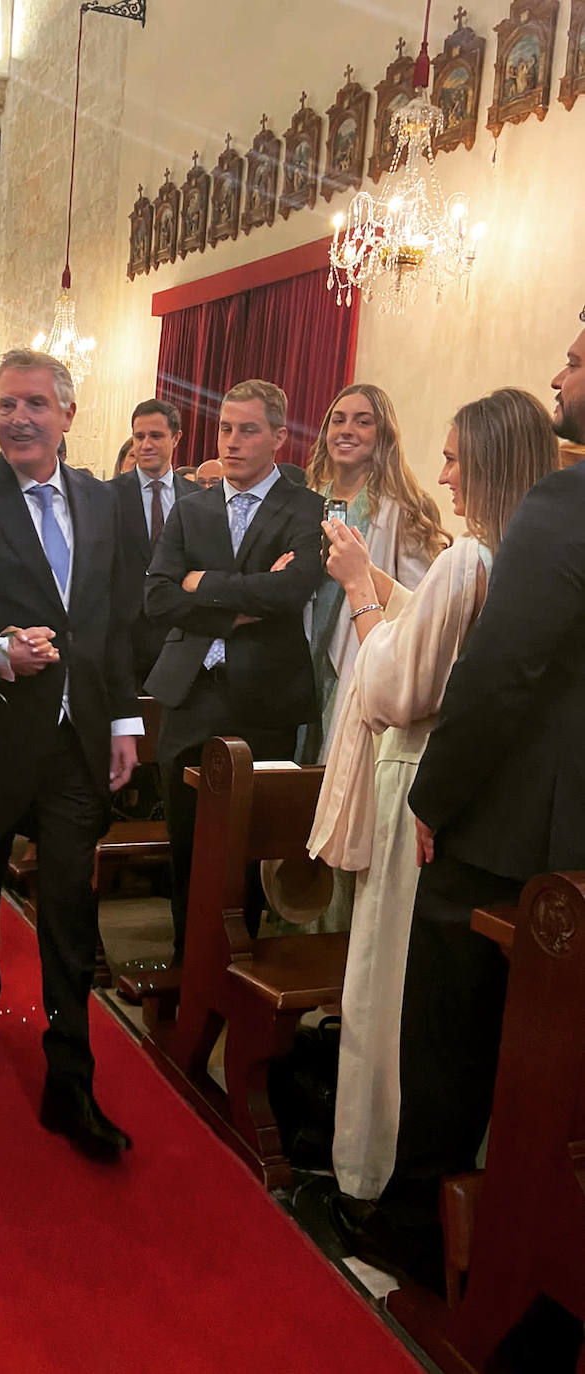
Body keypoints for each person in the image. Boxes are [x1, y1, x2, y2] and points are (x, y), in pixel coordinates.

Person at [331, 319, 585, 1285]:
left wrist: (432, 800)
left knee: (446, 1040)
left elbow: (499, 675)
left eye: (571, 357)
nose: (557, 376)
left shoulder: (564, 501)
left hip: (509, 833)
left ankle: (415, 1232)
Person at [0, 348, 140, 1162]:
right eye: (5, 404)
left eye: (35, 404)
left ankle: (70, 1078)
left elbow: (113, 622)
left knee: (69, 910)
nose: (18, 418)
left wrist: (122, 724)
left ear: (68, 415)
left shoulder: (104, 502)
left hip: (77, 744)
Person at [144, 380, 324, 970]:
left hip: (263, 696)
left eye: (248, 429)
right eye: (225, 428)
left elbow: (292, 588)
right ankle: (184, 962)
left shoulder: (304, 506)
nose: (234, 441)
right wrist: (244, 599)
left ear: (278, 435)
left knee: (244, 845)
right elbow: (158, 597)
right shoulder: (192, 507)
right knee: (188, 843)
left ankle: (232, 968)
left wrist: (205, 582)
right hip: (189, 690)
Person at [302, 385, 449, 764]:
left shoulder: (404, 510)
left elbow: (418, 604)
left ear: (383, 434)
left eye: (362, 422)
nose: (347, 430)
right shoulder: (307, 498)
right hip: (303, 660)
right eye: (338, 420)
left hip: (360, 656)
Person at [109, 398, 194, 685]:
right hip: (120, 643)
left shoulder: (199, 501)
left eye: (155, 436)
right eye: (139, 436)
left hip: (179, 641)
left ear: (176, 437)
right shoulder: (104, 496)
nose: (145, 445)